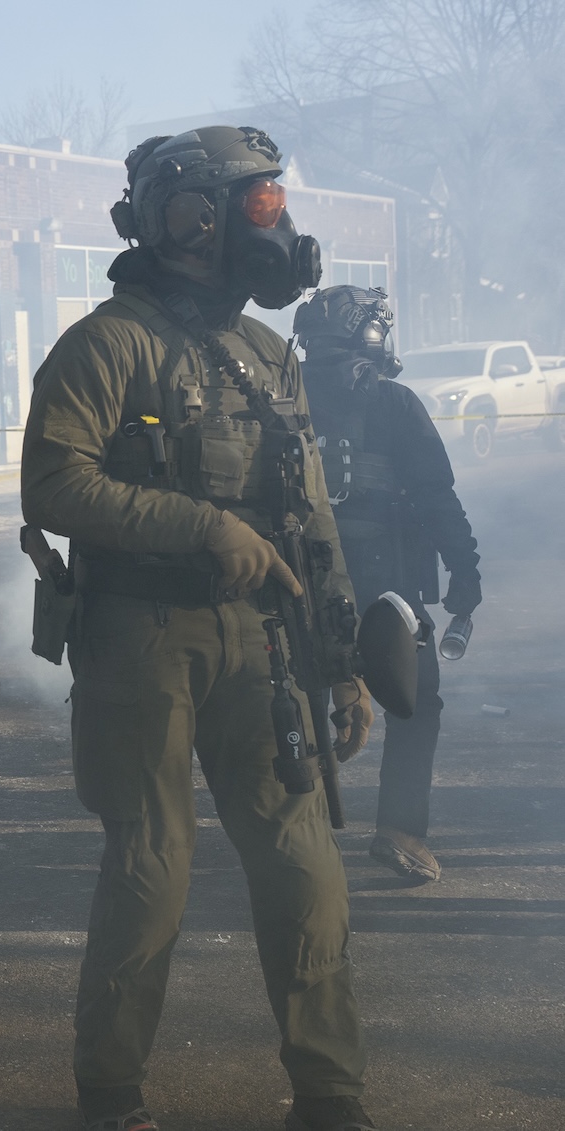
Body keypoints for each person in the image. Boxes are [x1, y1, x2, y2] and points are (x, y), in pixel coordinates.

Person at [20, 126, 379, 1131]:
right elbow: (52, 483)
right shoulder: (107, 343)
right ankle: (112, 1093)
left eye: (276, 203)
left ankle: (331, 1091)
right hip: (140, 640)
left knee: (301, 860)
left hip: (263, 640)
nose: (276, 225)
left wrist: (343, 662)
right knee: (151, 865)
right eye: (254, 206)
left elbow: (309, 520)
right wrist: (202, 523)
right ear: (191, 218)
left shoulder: (269, 354)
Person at [294, 285, 481, 882]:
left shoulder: (277, 402)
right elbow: (435, 497)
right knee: (415, 704)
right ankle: (400, 831)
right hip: (388, 591)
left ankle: (299, 837)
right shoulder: (397, 404)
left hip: (298, 584)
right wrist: (465, 568)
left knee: (299, 704)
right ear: (372, 338)